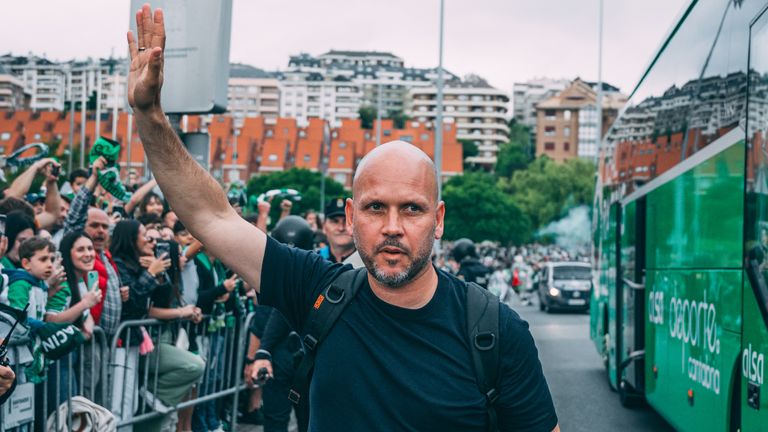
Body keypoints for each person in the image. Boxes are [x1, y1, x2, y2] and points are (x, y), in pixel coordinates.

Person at [127, 7, 559, 430]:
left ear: (438, 219)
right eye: (375, 208)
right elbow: (210, 216)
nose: (393, 225)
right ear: (351, 217)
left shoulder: (496, 331)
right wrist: (150, 116)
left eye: (411, 208)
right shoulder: (319, 292)